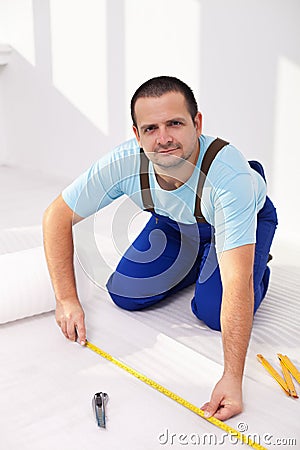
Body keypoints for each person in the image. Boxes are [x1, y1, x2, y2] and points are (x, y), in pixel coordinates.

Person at [43, 76, 278, 421]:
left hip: (245, 216)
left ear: (197, 124)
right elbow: (55, 217)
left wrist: (232, 378)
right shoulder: (123, 164)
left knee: (213, 311)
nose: (163, 138)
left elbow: (236, 283)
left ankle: (256, 260)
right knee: (125, 293)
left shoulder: (230, 180)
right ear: (137, 135)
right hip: (177, 224)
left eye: (175, 123)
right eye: (151, 128)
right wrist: (66, 299)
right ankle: (201, 257)